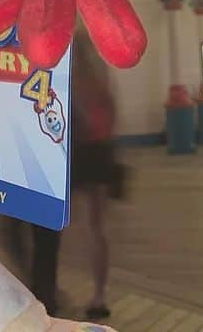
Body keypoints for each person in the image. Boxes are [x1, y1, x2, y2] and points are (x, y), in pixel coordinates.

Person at [71, 28, 120, 322]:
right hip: (97, 149)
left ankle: (95, 290)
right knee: (94, 226)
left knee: (89, 225)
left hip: (87, 150)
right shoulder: (96, 76)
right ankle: (97, 291)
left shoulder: (78, 77)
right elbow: (112, 111)